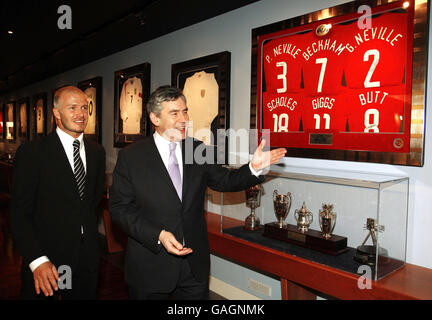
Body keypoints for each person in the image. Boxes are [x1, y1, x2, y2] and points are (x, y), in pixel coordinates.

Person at [109, 85, 286, 300]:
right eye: (174, 113)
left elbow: (225, 180)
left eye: (185, 111)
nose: (183, 119)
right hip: (151, 267)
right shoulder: (132, 157)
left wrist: (253, 167)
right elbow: (120, 209)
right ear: (155, 118)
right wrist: (158, 235)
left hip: (194, 267)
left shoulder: (197, 149)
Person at [10, 86, 106, 300]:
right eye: (72, 108)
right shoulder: (33, 153)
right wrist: (37, 260)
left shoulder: (97, 152)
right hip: (46, 259)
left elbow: (91, 205)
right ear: (56, 113)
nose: (80, 114)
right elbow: (19, 214)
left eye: (84, 107)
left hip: (87, 259)